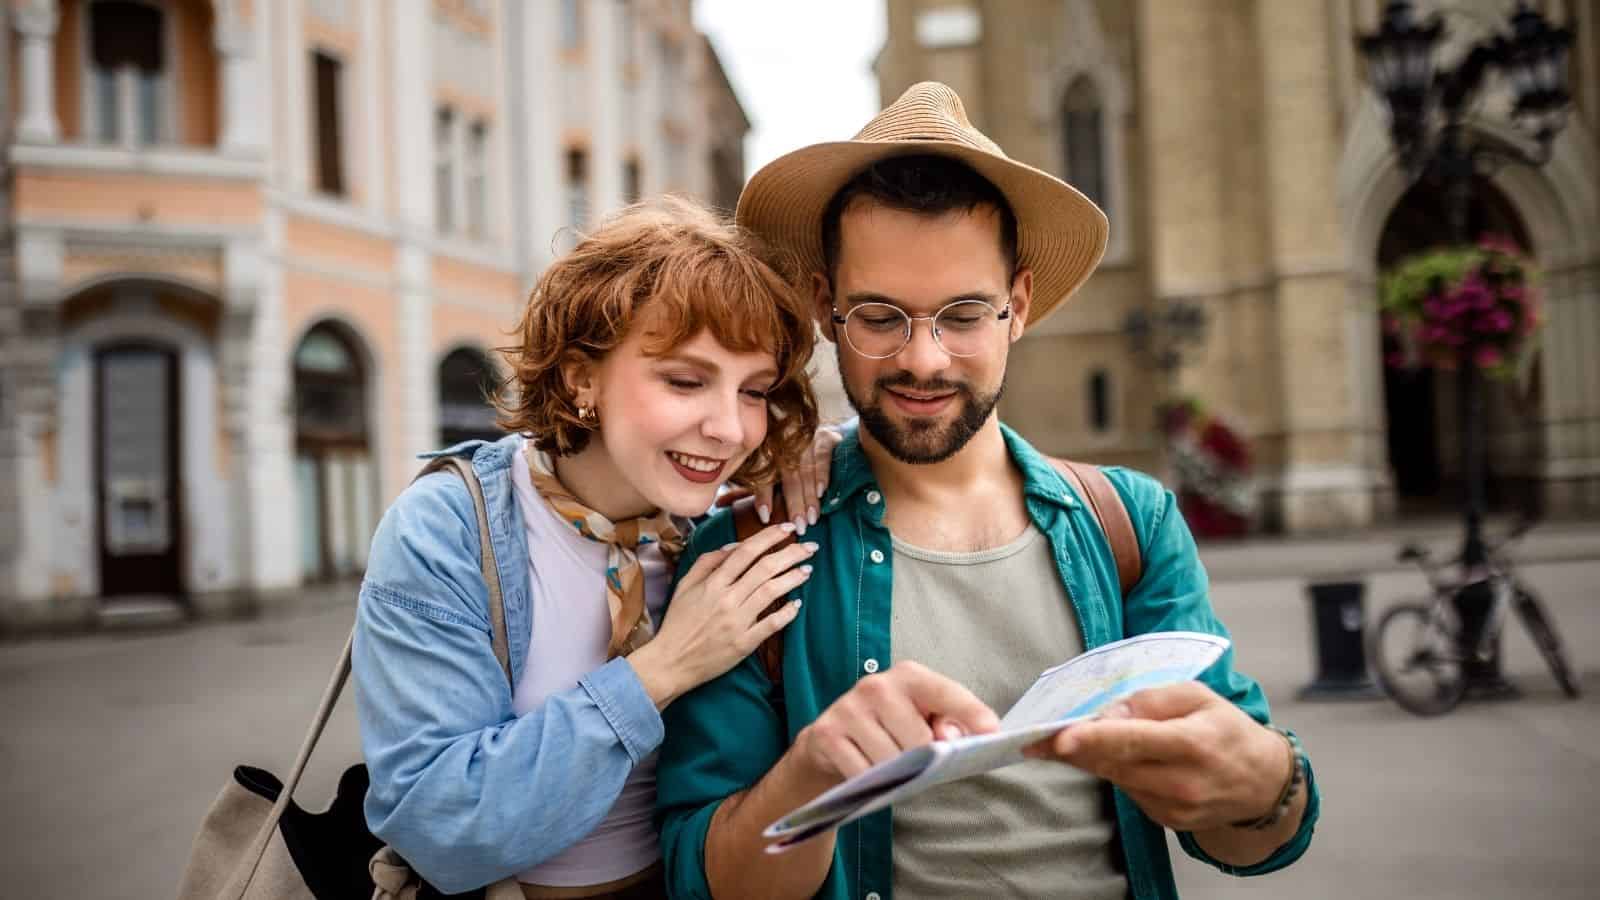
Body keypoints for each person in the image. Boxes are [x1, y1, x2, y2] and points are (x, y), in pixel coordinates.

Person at [655, 83, 1320, 900]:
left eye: (964, 314)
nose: (924, 359)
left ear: (1020, 306)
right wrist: (811, 778)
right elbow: (699, 877)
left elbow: (1251, 843)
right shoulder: (752, 548)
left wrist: (1262, 782)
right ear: (827, 307)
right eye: (880, 315)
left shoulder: (1132, 525)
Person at [352, 197, 837, 897]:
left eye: (755, 391)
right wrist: (663, 669)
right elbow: (439, 827)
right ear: (582, 378)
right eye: (685, 380)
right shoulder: (449, 530)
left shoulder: (718, 521)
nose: (731, 429)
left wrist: (823, 450)